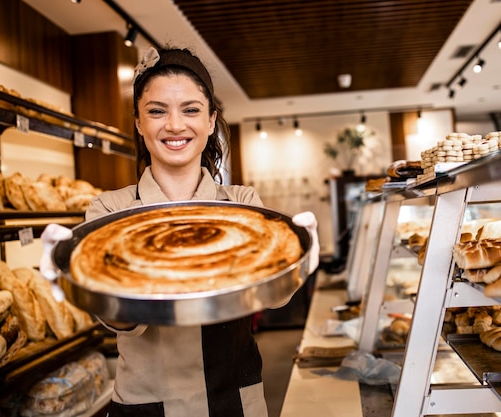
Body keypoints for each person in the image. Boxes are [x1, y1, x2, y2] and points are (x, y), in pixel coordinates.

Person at [39, 46, 319, 417]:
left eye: (191, 109)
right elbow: (122, 321)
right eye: (157, 111)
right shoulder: (109, 213)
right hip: (146, 405)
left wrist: (297, 263)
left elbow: (271, 298)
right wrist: (84, 284)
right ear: (139, 123)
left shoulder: (242, 206)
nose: (174, 125)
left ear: (210, 120)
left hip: (234, 398)